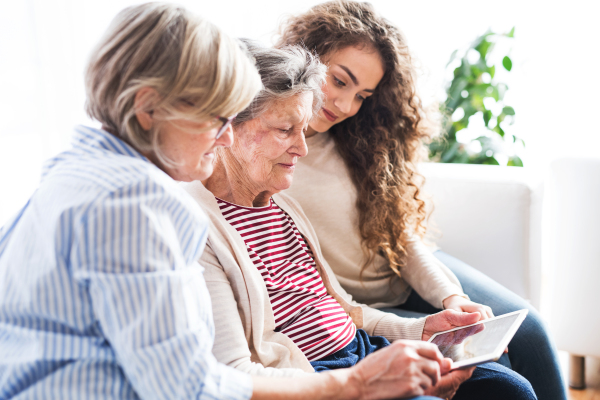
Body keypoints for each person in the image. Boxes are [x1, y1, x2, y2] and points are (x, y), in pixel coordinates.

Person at [0, 4, 450, 400]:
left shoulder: (71, 169)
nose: (225, 136)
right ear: (147, 107)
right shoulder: (134, 205)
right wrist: (354, 385)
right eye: (216, 117)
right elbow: (191, 389)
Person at [182, 40, 536, 400]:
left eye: (303, 130)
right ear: (228, 127)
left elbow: (347, 311)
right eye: (285, 130)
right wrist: (364, 383)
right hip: (316, 376)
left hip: (363, 349)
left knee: (509, 387)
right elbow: (234, 373)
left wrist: (422, 329)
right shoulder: (197, 229)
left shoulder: (283, 207)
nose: (302, 148)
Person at [277, 1, 566, 399]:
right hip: (356, 305)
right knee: (491, 362)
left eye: (362, 94)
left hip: (405, 269)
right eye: (339, 81)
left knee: (529, 330)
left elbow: (403, 238)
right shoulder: (263, 153)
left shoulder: (358, 139)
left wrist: (452, 297)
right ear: (304, 57)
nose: (345, 106)